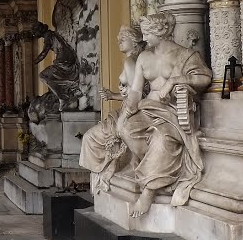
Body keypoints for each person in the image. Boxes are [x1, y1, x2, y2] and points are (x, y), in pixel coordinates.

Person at [119, 11, 212, 217]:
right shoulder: (144, 57)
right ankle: (155, 171)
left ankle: (149, 190)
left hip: (174, 111)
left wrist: (174, 81)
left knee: (161, 138)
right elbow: (135, 90)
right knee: (126, 129)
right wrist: (126, 112)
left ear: (160, 32)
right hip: (148, 107)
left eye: (147, 34)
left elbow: (204, 77)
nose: (143, 39)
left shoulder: (185, 55)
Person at [78, 25, 144, 192]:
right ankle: (102, 175)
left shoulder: (132, 61)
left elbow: (137, 95)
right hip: (127, 108)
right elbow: (134, 92)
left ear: (135, 42)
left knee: (90, 138)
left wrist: (124, 116)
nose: (119, 40)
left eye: (124, 38)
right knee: (90, 138)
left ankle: (103, 175)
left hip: (129, 112)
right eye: (118, 38)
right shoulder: (136, 60)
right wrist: (113, 95)